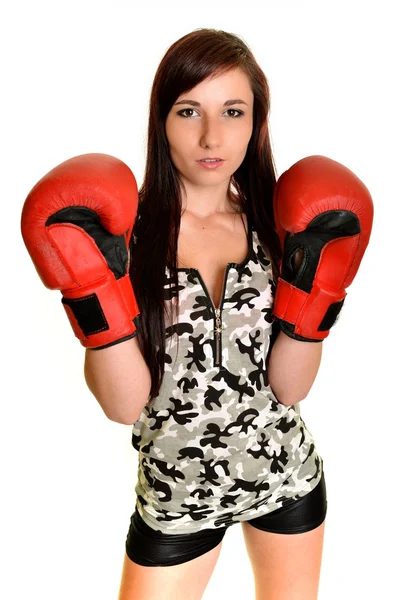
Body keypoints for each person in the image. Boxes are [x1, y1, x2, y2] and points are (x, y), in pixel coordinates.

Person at [21, 28, 373, 600]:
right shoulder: (119, 237)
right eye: (190, 111)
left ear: (256, 122)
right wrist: (93, 287)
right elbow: (123, 405)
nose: (212, 135)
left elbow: (289, 386)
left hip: (286, 477)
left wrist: (317, 294)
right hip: (177, 500)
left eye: (232, 111)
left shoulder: (283, 228)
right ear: (163, 120)